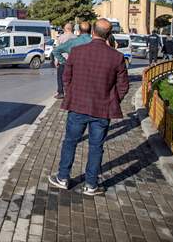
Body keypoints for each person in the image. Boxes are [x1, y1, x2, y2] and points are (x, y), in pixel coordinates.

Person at [48, 19, 129, 196]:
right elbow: (123, 86)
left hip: (77, 107)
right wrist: (111, 100)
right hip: (102, 110)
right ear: (108, 35)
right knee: (96, 147)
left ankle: (63, 178)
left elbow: (66, 78)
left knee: (70, 142)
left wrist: (71, 95)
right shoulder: (116, 57)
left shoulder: (77, 52)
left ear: (93, 32)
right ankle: (91, 185)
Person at [52, 21, 92, 99]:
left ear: (79, 30)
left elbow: (55, 51)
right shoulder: (94, 42)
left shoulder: (72, 41)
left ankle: (61, 93)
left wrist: (63, 62)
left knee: (62, 79)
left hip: (74, 70)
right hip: (91, 76)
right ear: (90, 31)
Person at [52, 23, 76, 99]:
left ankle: (61, 92)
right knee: (72, 78)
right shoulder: (76, 38)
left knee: (60, 77)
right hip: (73, 61)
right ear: (72, 29)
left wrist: (56, 61)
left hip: (62, 61)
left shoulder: (61, 37)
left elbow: (57, 50)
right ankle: (71, 92)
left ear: (65, 29)